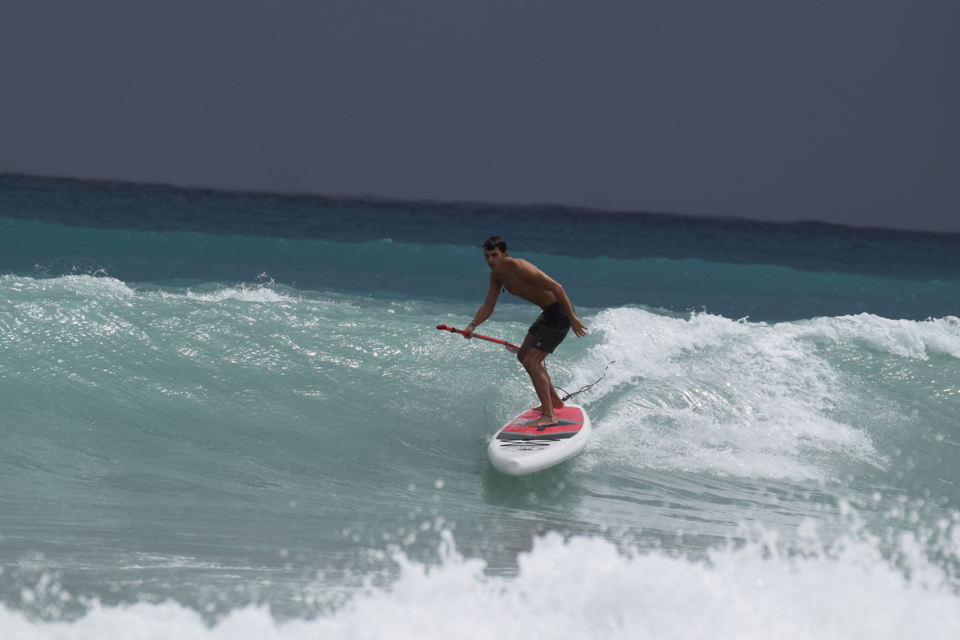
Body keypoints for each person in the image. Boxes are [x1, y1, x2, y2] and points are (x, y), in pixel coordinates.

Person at [463, 236, 587, 429]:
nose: (490, 260)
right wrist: (472, 326)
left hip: (559, 313)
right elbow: (489, 306)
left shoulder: (520, 267)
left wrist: (572, 318)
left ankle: (549, 415)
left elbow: (557, 287)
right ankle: (555, 401)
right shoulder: (497, 275)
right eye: (486, 256)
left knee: (531, 360)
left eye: (494, 255)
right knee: (523, 355)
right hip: (547, 314)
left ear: (505, 254)